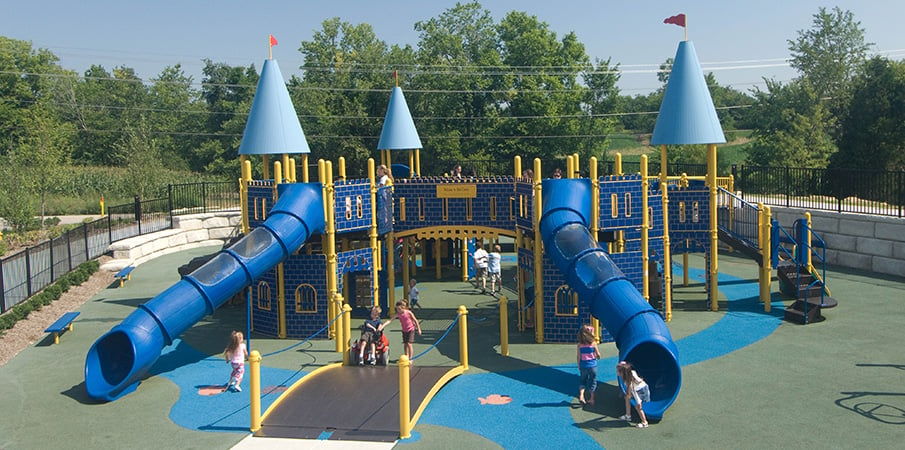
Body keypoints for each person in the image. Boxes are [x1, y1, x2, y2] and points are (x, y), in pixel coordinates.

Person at [617, 361, 650, 428]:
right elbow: (624, 365)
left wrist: (638, 402)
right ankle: (628, 416)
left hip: (642, 391)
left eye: (617, 371)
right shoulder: (631, 372)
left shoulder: (629, 382)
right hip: (642, 387)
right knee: (627, 397)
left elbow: (634, 392)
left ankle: (644, 422)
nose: (617, 372)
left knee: (638, 407)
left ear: (622, 373)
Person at [577, 324, 600, 405]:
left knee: (583, 381)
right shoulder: (593, 343)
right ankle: (592, 399)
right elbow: (598, 354)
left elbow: (578, 356)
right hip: (592, 365)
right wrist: (597, 357)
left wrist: (579, 365)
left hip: (584, 365)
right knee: (593, 381)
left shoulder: (580, 344)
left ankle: (581, 396)